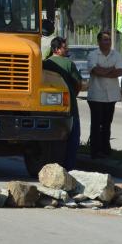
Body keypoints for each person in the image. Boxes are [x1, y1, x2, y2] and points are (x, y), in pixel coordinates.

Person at [42, 36, 83, 170]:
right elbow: (78, 84)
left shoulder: (45, 63)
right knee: (73, 138)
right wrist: (72, 95)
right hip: (69, 106)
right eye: (65, 48)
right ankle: (69, 168)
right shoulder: (68, 64)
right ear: (56, 49)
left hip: (48, 106)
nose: (67, 50)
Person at [85, 31, 122, 158]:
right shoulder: (93, 55)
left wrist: (104, 71)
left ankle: (106, 148)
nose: (107, 42)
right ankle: (95, 150)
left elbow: (120, 71)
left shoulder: (116, 55)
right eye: (105, 40)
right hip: (96, 94)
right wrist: (110, 69)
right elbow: (95, 70)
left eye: (109, 40)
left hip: (111, 96)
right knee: (96, 124)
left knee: (107, 123)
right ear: (99, 41)